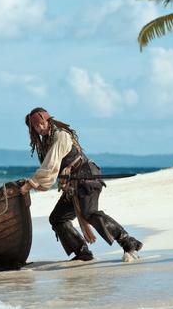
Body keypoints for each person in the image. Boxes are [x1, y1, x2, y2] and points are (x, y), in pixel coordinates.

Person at [19, 107, 143, 261]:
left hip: (87, 178)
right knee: (58, 218)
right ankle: (82, 252)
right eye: (36, 127)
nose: (40, 128)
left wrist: (31, 184)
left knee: (89, 213)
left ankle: (129, 243)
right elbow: (51, 168)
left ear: (48, 120)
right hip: (72, 186)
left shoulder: (61, 136)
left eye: (41, 124)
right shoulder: (46, 142)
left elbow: (50, 167)